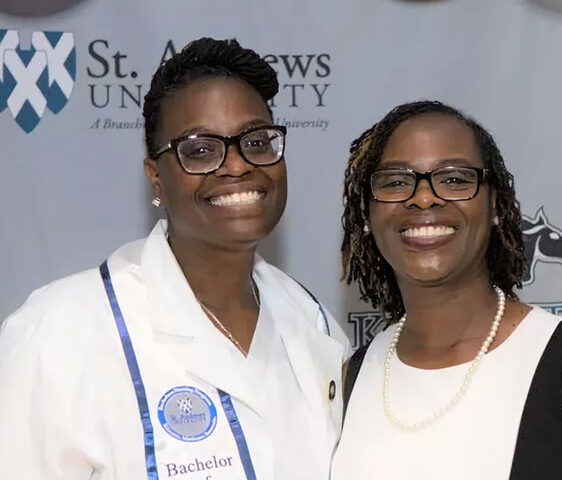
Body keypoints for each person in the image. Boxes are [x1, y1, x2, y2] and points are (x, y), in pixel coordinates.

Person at [0, 38, 349, 480]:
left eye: (257, 141)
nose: (238, 165)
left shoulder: (312, 323)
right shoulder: (57, 333)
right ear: (156, 179)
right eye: (200, 149)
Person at [331, 100, 562, 479]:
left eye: (454, 179)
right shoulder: (349, 381)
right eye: (396, 182)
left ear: (495, 205)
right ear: (366, 213)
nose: (424, 197)